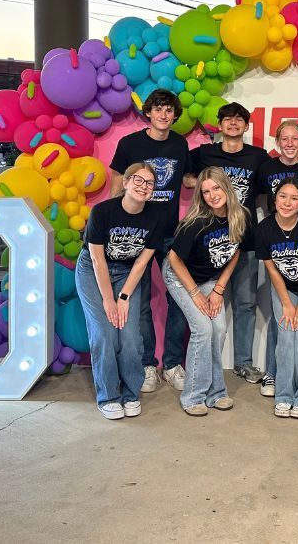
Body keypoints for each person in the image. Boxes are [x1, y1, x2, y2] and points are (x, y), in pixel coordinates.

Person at [109, 88, 192, 394]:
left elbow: (187, 179)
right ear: (148, 112)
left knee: (178, 298)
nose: (163, 114)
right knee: (139, 300)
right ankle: (147, 365)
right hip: (136, 234)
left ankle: (171, 364)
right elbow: (117, 185)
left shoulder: (180, 144)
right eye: (158, 108)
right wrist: (115, 223)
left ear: (174, 115)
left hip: (170, 233)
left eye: (169, 110)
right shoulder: (130, 144)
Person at [75, 163, 164, 420]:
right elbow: (97, 260)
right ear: (125, 182)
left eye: (149, 183)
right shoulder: (103, 211)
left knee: (129, 336)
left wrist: (123, 297)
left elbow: (141, 262)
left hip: (127, 273)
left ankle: (130, 393)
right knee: (104, 333)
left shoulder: (155, 218)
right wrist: (108, 300)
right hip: (93, 271)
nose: (142, 186)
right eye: (137, 179)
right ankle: (109, 396)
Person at [188, 102, 269, 384]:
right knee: (209, 304)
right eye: (227, 119)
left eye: (239, 120)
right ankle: (207, 363)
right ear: (219, 126)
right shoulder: (204, 154)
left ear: (246, 126)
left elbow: (276, 182)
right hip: (210, 241)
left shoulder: (259, 156)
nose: (233, 123)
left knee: (246, 304)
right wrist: (193, 183)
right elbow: (182, 176)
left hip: (245, 240)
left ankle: (243, 363)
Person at [163, 167, 247, 415]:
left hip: (209, 278)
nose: (212, 195)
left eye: (216, 188)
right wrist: (195, 293)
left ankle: (216, 392)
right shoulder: (196, 222)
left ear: (226, 188)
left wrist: (219, 288)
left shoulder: (240, 216)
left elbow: (236, 250)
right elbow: (174, 259)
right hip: (180, 277)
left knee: (219, 329)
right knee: (203, 329)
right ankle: (193, 396)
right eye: (206, 191)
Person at [254, 119, 298, 398]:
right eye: (285, 138)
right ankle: (273, 375)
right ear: (278, 141)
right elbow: (249, 197)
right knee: (281, 323)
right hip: (279, 251)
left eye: (296, 138)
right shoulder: (266, 168)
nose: (290, 143)